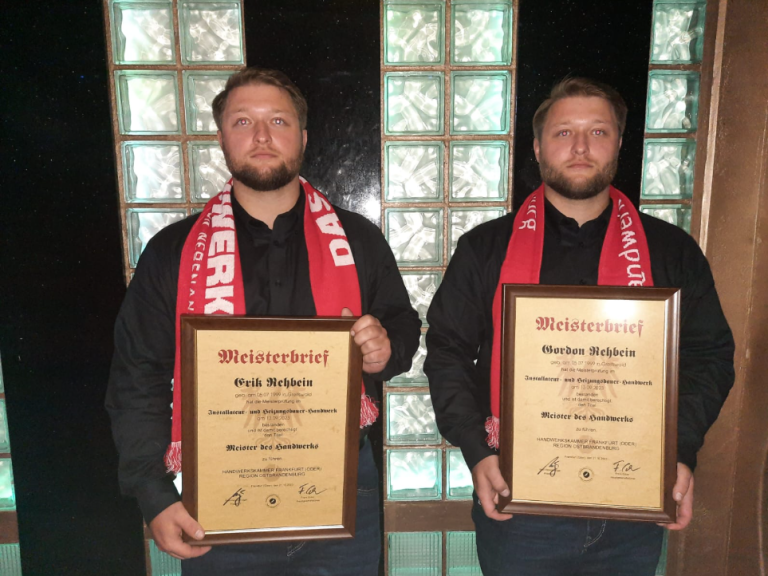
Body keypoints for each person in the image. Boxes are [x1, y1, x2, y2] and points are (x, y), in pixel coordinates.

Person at [106, 67, 421, 575]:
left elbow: (402, 323)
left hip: (341, 488)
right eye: (242, 122)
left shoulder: (358, 239)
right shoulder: (172, 252)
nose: (261, 136)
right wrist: (154, 493)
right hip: (217, 494)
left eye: (277, 121)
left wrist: (386, 348)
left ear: (303, 136)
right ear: (221, 138)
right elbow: (137, 375)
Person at [425, 77, 734, 576]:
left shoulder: (671, 251)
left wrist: (679, 449)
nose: (581, 147)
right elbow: (447, 352)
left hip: (632, 501)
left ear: (619, 143)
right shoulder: (485, 249)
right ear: (537, 147)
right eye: (564, 132)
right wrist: (477, 451)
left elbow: (709, 356)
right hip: (518, 502)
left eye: (599, 132)